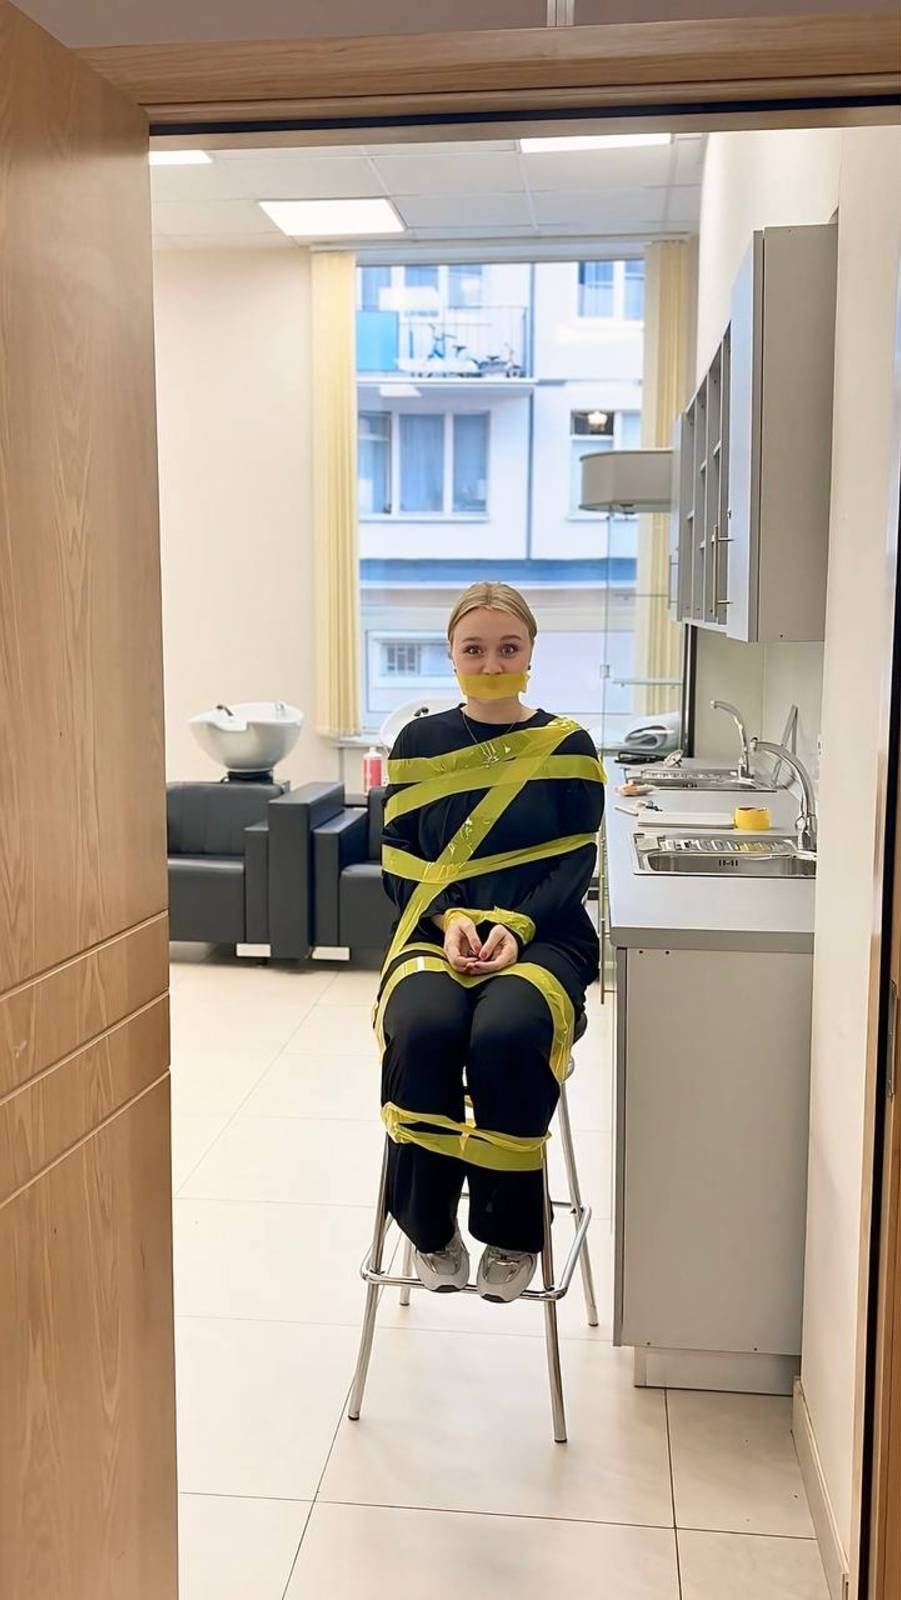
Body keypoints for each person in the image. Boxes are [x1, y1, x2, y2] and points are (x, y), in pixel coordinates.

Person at [375, 581, 606, 1303]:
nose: (491, 663)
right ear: (451, 654)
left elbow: (575, 862)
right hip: (435, 931)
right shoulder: (418, 743)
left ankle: (512, 1233)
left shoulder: (568, 745)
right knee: (425, 1031)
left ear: (531, 651)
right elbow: (398, 854)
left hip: (546, 934)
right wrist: (451, 920)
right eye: (474, 649)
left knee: (506, 1034)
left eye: (508, 647)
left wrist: (516, 926)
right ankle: (427, 1228)